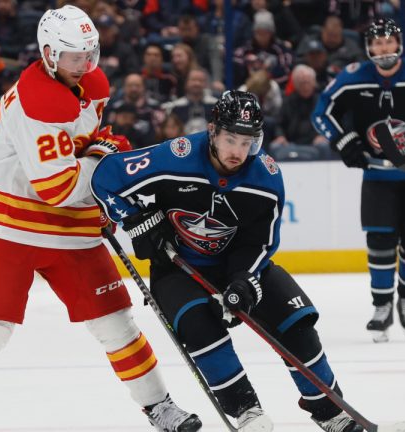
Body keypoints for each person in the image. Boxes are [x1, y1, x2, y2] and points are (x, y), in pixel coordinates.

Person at [0, 6, 202, 432]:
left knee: (116, 324)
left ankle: (160, 407)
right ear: (48, 53)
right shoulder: (36, 101)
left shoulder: (92, 83)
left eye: (91, 54)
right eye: (75, 57)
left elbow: (83, 146)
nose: (85, 65)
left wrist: (96, 154)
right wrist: (103, 161)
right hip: (8, 220)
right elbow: (62, 188)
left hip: (70, 227)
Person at [91, 90, 364, 432]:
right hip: (177, 268)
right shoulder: (176, 157)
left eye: (246, 141)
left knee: (296, 323)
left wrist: (244, 279)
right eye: (230, 139)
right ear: (213, 132)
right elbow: (104, 177)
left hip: (236, 265)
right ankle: (247, 411)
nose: (238, 151)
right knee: (200, 327)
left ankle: (331, 410)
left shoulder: (266, 178)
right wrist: (134, 219)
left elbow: (261, 242)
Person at [311, 18, 405, 343]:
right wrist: (344, 141)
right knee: (379, 243)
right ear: (368, 47)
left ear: (399, 44)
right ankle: (381, 306)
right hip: (378, 175)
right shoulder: (353, 77)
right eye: (377, 43)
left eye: (388, 41)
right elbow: (322, 112)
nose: (383, 49)